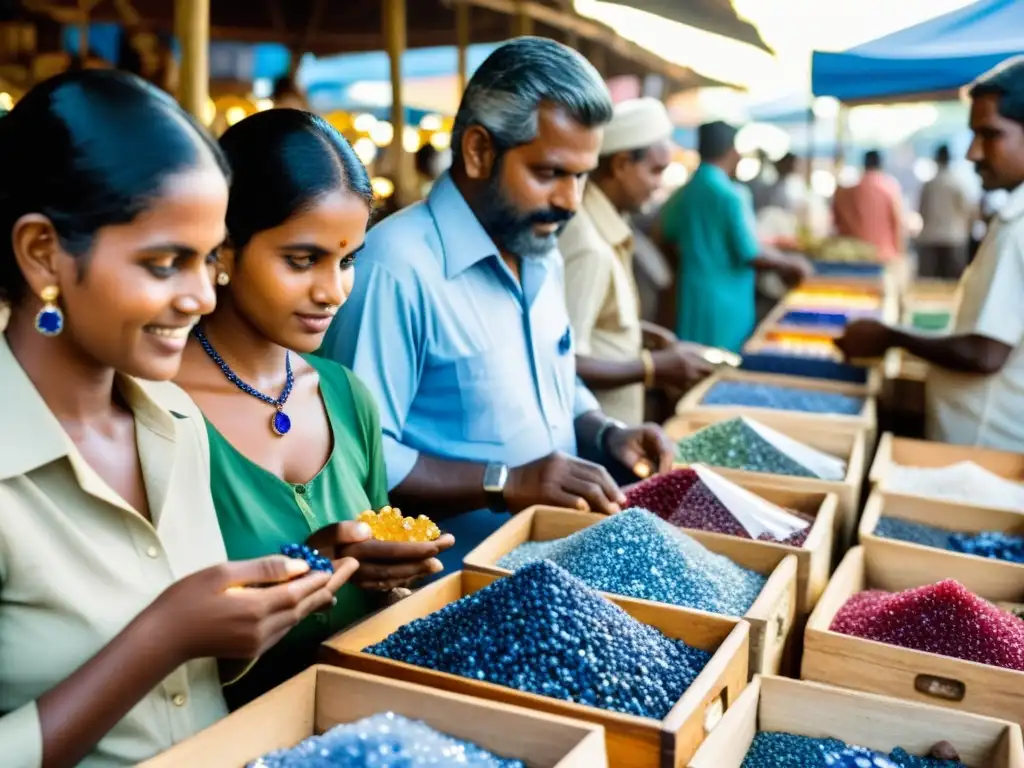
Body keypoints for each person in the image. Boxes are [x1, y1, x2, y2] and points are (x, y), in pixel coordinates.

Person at [0, 70, 353, 767]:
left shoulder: (175, 420)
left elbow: (192, 688)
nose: (201, 296)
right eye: (166, 264)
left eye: (210, 259)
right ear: (44, 252)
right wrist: (159, 637)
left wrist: (287, 585)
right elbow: (167, 644)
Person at [319, 37, 675, 571]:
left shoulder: (541, 253)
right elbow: (358, 459)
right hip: (444, 597)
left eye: (580, 176)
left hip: (549, 573)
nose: (570, 201)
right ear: (479, 151)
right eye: (549, 173)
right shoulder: (395, 270)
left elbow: (554, 377)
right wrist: (504, 482)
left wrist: (603, 431)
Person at [173, 109, 454, 708]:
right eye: (302, 261)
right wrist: (309, 563)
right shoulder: (157, 410)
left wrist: (391, 579)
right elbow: (163, 651)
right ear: (223, 249)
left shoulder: (347, 397)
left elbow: (378, 584)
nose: (333, 291)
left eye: (347, 260)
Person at [836, 57, 1024, 451]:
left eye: (989, 135)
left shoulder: (1017, 226)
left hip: (984, 448)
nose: (973, 152)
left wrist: (889, 335)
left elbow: (984, 353)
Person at [558, 97, 713, 425]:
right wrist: (652, 366)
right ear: (621, 164)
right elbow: (562, 360)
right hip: (595, 432)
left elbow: (586, 321)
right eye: (655, 171)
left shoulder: (604, 226)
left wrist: (634, 334)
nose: (659, 186)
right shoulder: (588, 244)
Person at [655, 120, 812, 352]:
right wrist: (788, 264)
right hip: (726, 300)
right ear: (732, 152)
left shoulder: (685, 192)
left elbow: (664, 234)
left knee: (692, 361)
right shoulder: (731, 195)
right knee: (723, 365)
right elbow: (749, 253)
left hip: (691, 293)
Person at [832, 149, 905, 260]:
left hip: (853, 256)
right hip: (884, 256)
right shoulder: (889, 190)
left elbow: (836, 221)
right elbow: (897, 225)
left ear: (864, 164)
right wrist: (899, 255)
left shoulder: (846, 193)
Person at [917, 144, 973, 279]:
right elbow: (968, 212)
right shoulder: (958, 183)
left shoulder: (929, 185)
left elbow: (922, 211)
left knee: (930, 288)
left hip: (930, 238)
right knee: (952, 288)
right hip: (953, 239)